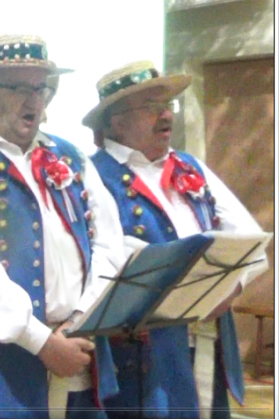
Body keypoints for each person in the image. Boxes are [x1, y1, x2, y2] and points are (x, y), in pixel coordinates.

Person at [0, 34, 124, 418]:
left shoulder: (70, 155)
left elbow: (109, 245)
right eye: (18, 88)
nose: (33, 100)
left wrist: (81, 320)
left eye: (40, 88)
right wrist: (43, 342)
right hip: (3, 371)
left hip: (82, 352)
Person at [82, 60, 270, 419]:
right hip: (141, 357)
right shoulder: (94, 173)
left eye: (167, 105)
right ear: (117, 122)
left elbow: (250, 239)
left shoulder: (190, 166)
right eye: (151, 106)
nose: (166, 115)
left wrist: (231, 289)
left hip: (207, 342)